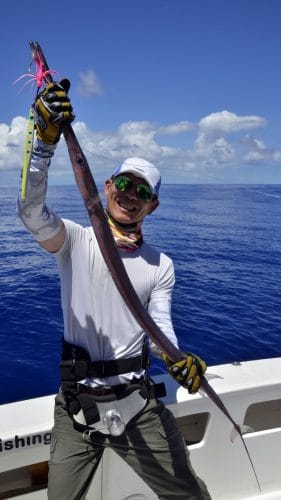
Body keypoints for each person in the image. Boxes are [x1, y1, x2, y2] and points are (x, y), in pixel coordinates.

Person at [17, 80, 211, 500]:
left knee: (193, 496)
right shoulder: (74, 240)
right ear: (106, 187)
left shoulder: (161, 265)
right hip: (75, 409)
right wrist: (44, 142)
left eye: (143, 192)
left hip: (138, 406)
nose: (130, 195)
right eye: (124, 184)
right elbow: (31, 211)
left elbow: (160, 329)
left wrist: (178, 360)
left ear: (152, 206)